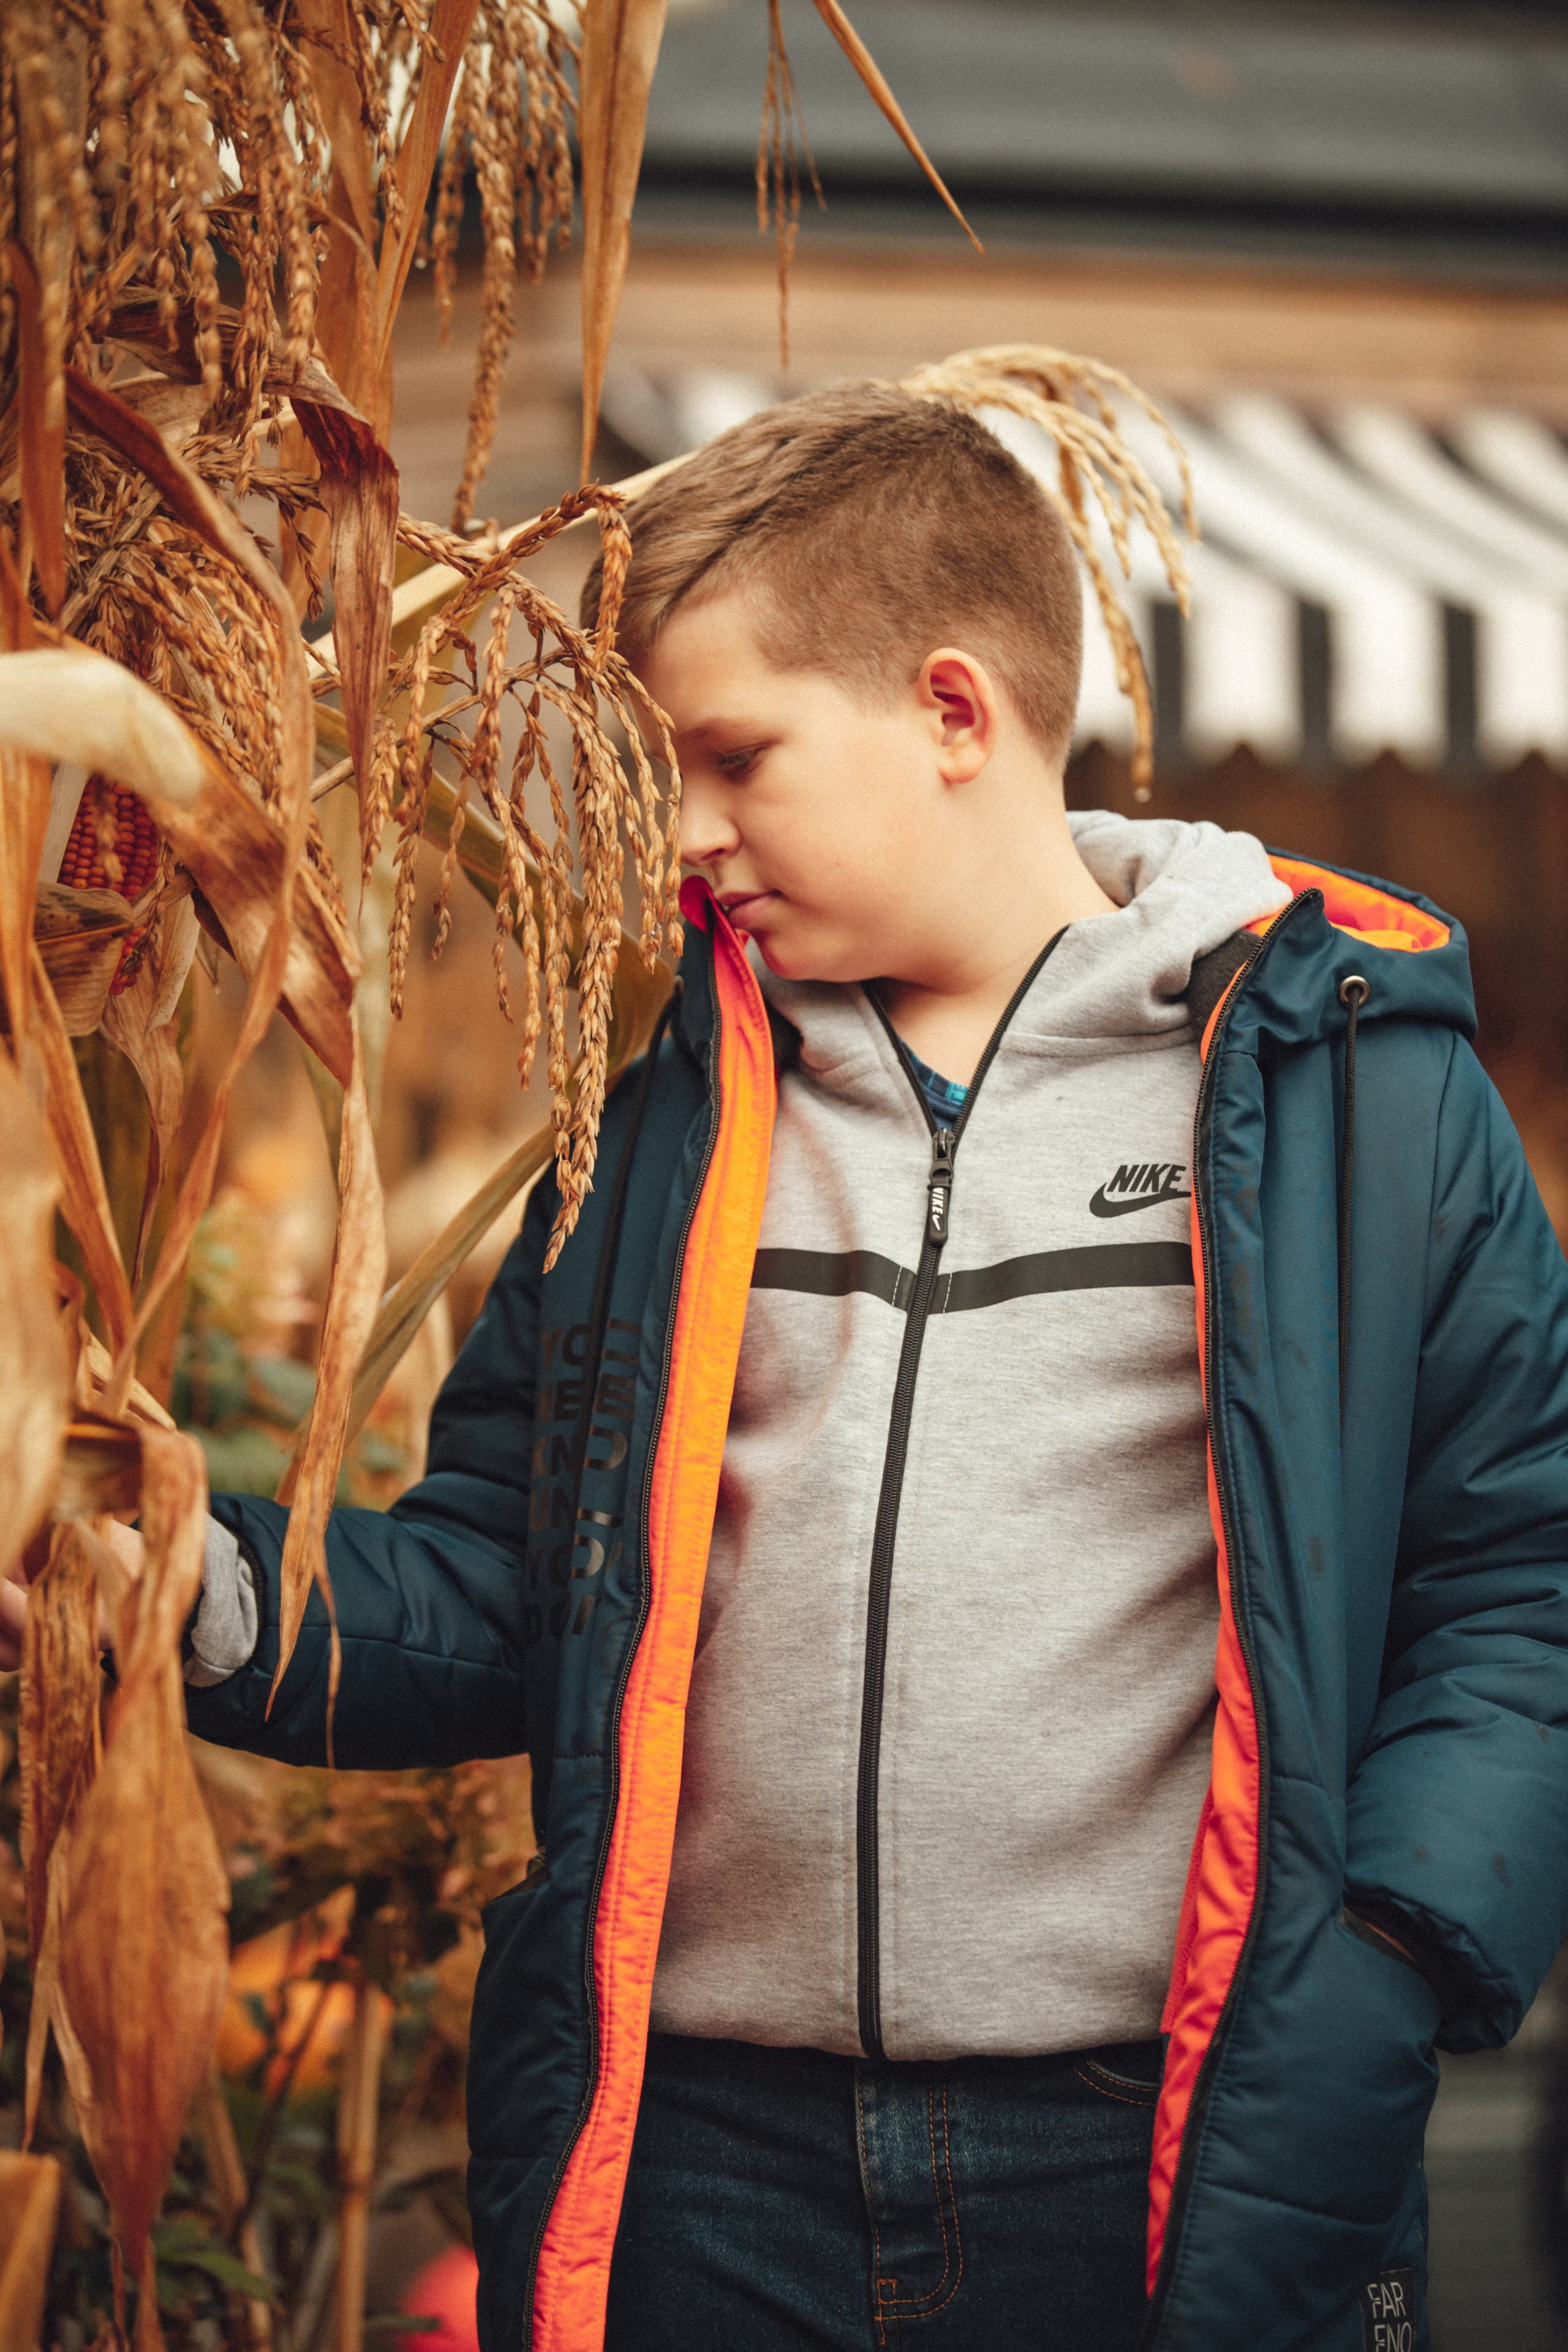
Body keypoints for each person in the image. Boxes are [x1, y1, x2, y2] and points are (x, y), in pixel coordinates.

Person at [66, 388, 1568, 2351]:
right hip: (701, 2164)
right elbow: (515, 1587)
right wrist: (189, 1575)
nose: (681, 830)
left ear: (955, 712)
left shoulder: (1352, 1090)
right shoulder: (669, 1126)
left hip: (1158, 2150)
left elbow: (1514, 1594)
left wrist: (1382, 1964)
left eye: (731, 756)